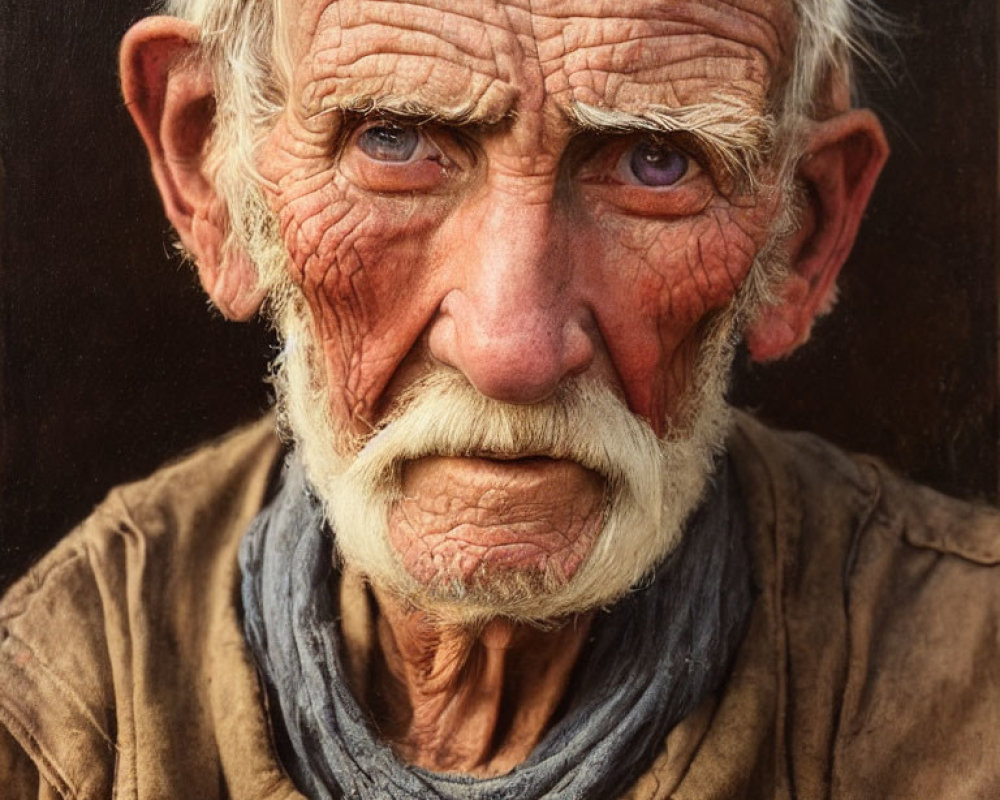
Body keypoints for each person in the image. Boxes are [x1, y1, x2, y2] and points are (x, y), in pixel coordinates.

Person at [1, 0, 997, 797]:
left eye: (656, 162)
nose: (511, 348)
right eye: (392, 141)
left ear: (800, 233)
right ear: (212, 167)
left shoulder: (968, 699)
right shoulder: (56, 716)